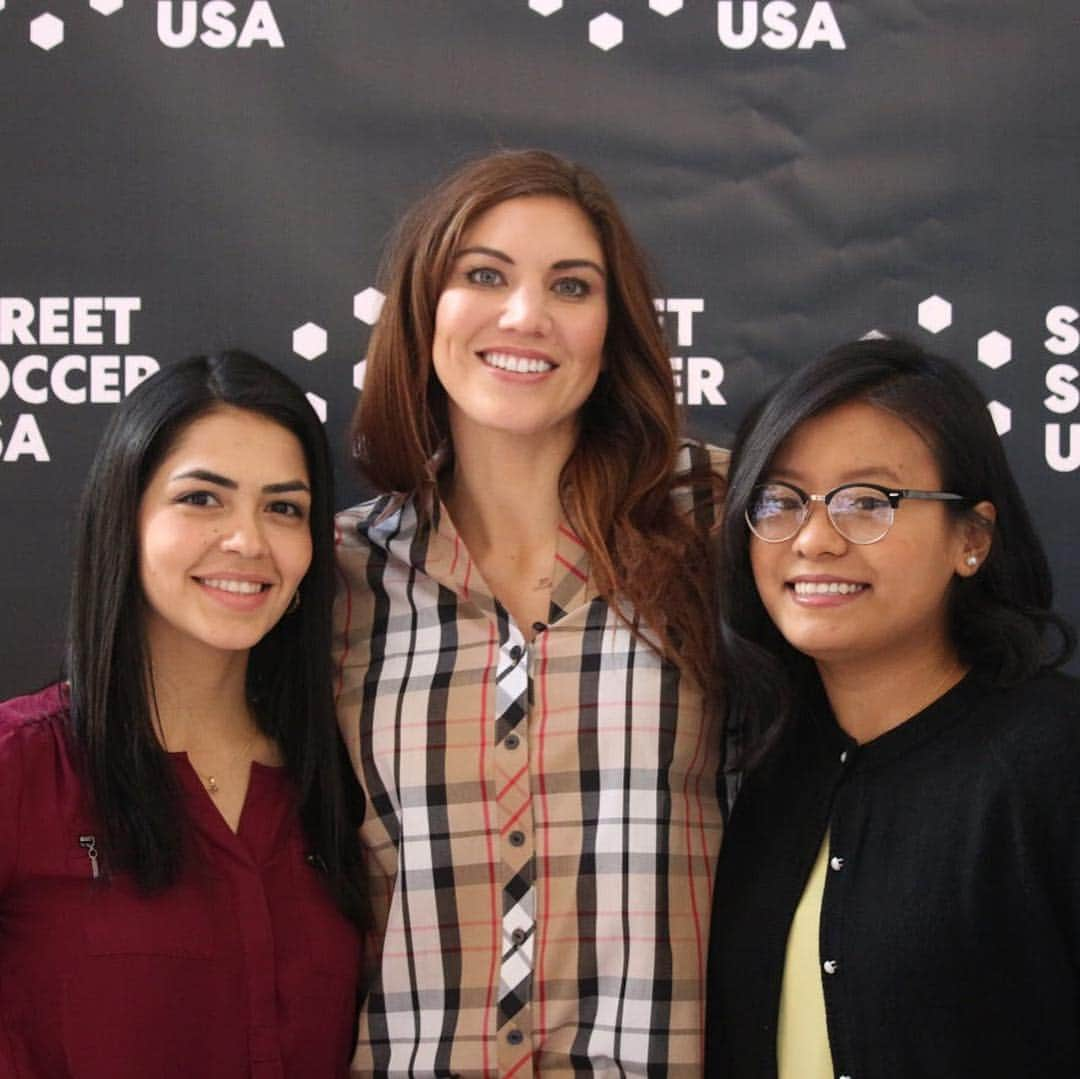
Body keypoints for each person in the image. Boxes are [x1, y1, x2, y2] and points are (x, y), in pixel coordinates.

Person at [334, 149, 726, 1077]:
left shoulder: (716, 522)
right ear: (427, 305)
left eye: (572, 285)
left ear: (612, 327)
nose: (525, 315)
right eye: (484, 274)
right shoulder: (340, 574)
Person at [707, 337, 1079, 1077]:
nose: (813, 540)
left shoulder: (1053, 755)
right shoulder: (757, 766)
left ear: (970, 539)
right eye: (780, 501)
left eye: (866, 503)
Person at [0, 351, 367, 1078]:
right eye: (203, 498)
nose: (247, 540)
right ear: (125, 515)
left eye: (284, 507)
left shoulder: (337, 782)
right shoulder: (21, 766)